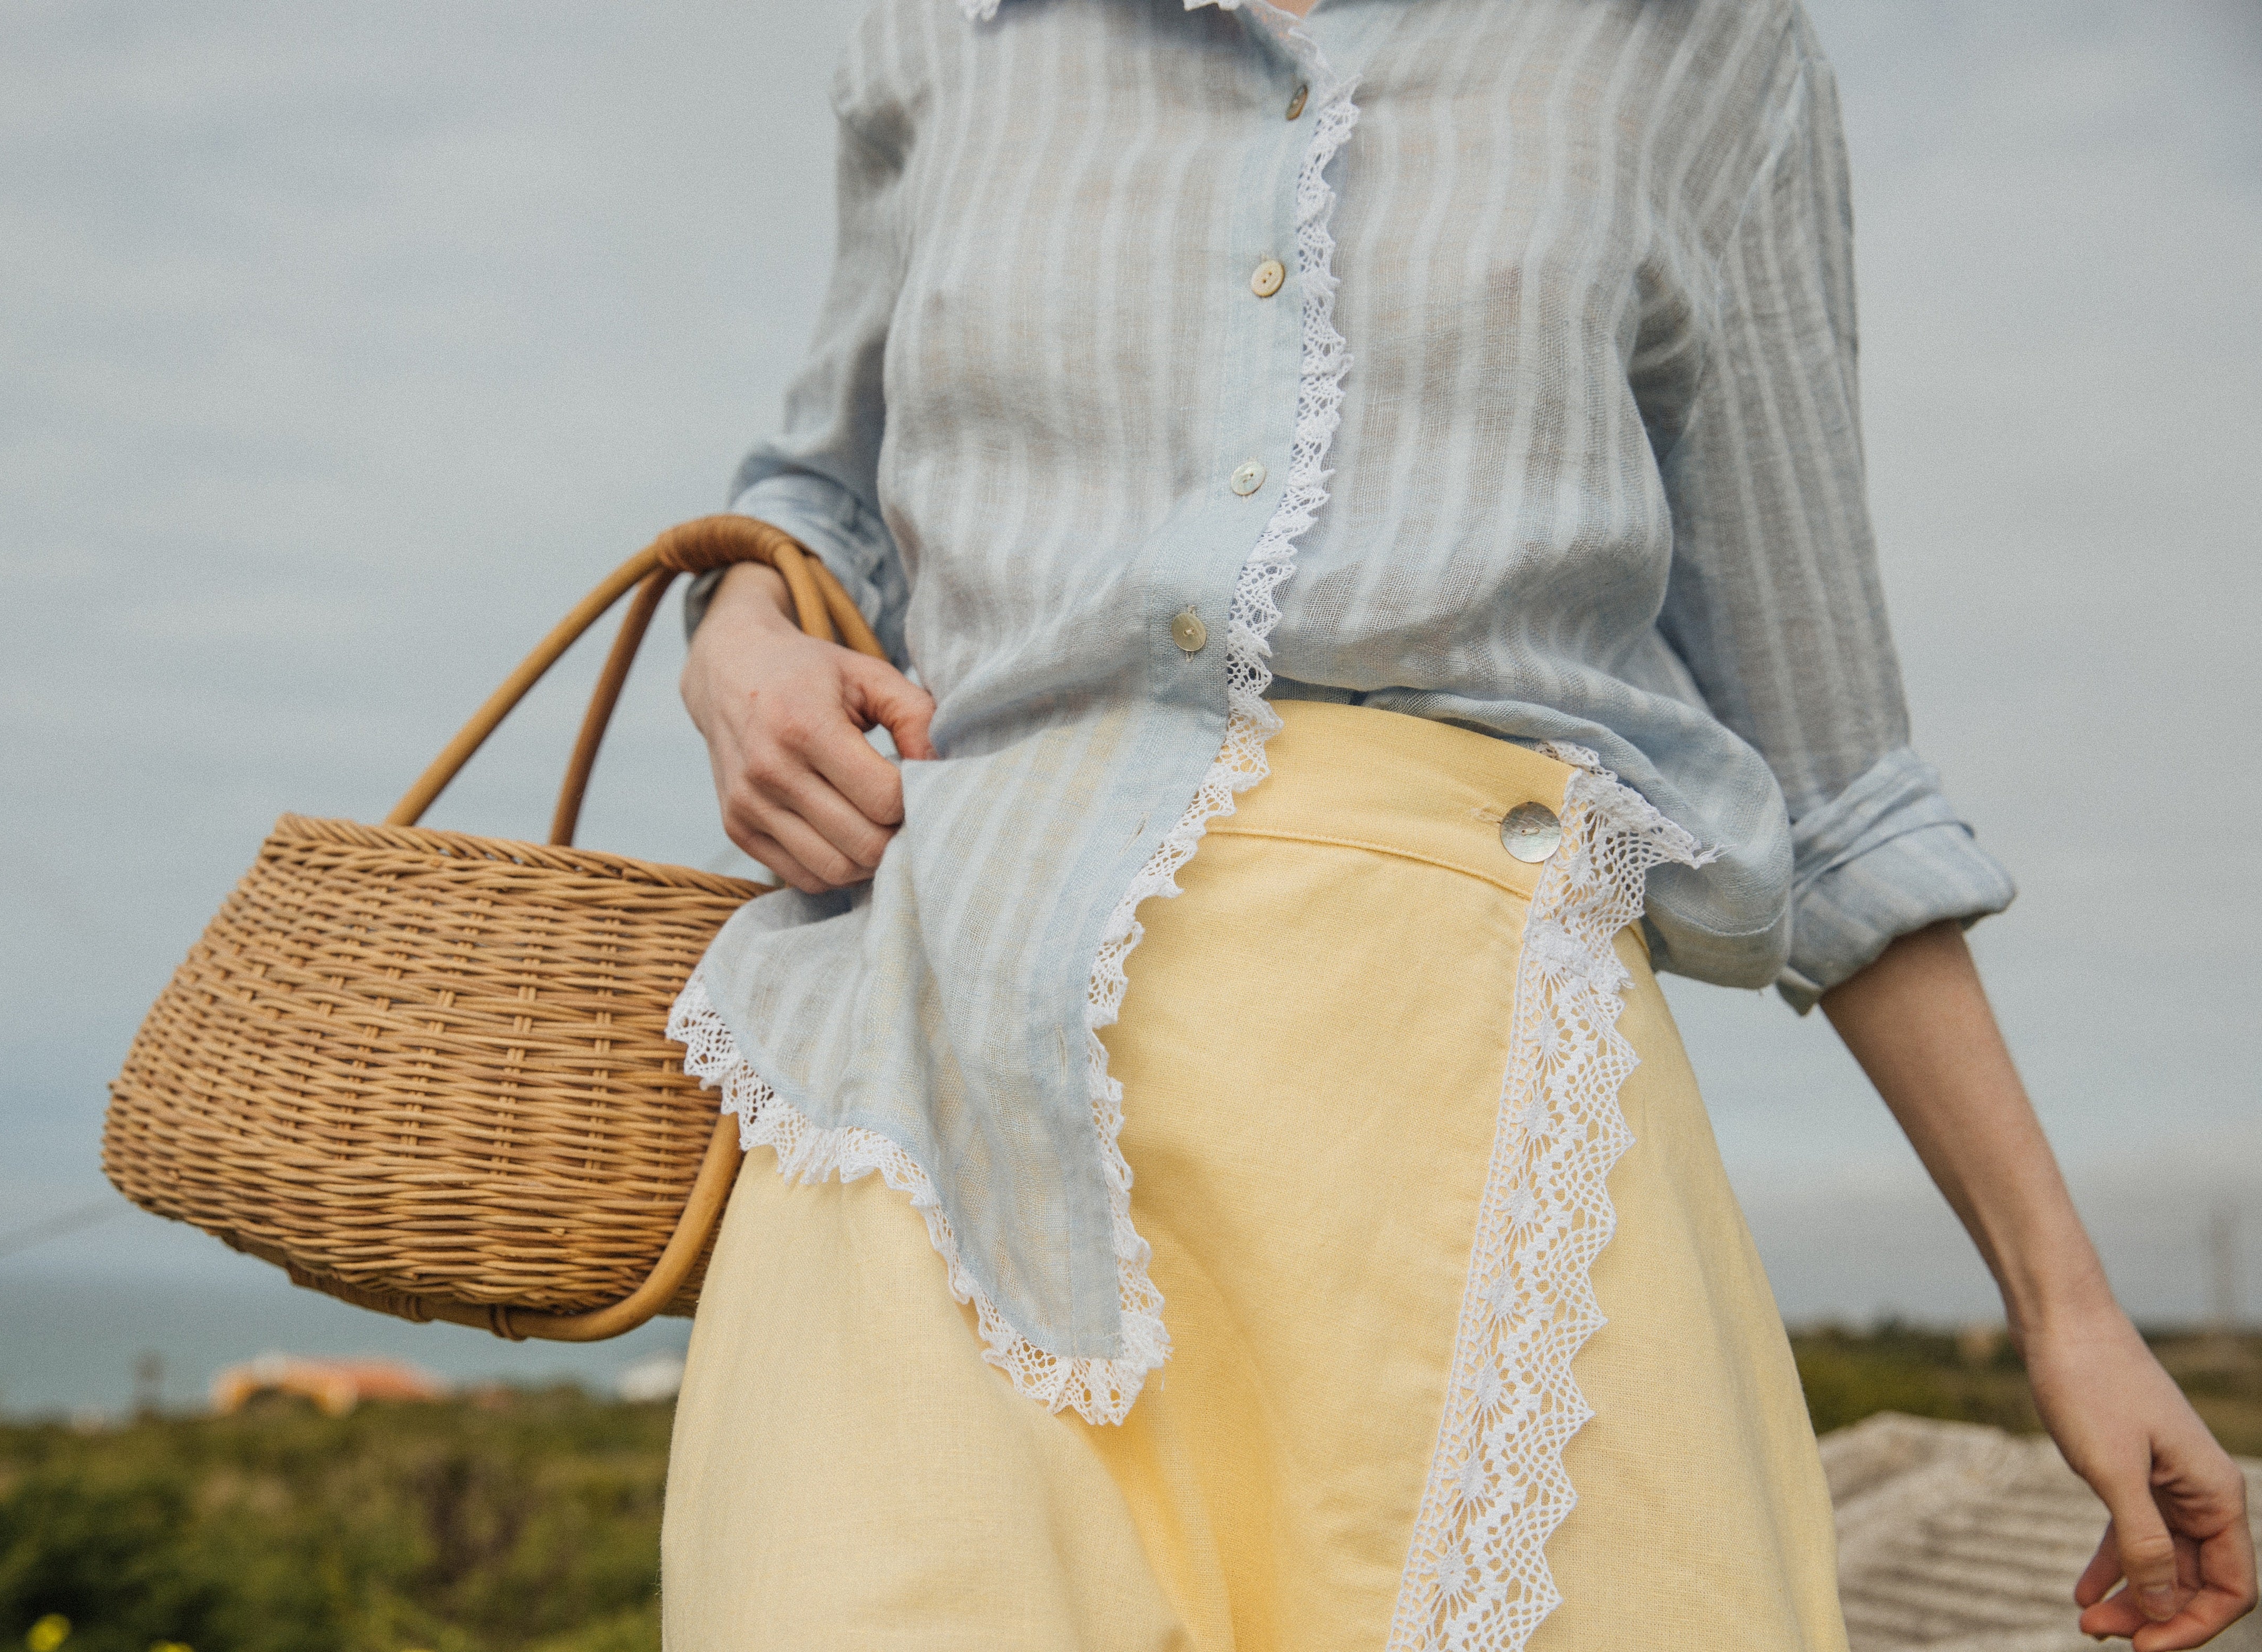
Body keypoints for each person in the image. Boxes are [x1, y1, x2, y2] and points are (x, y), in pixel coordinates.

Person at [655, 1, 2256, 1647]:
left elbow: (1836, 770)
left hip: (1488, 1115)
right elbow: (814, 494)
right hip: (944, 1090)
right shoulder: (941, 34)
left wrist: (2067, 1305)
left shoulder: (1696, 47)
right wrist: (740, 633)